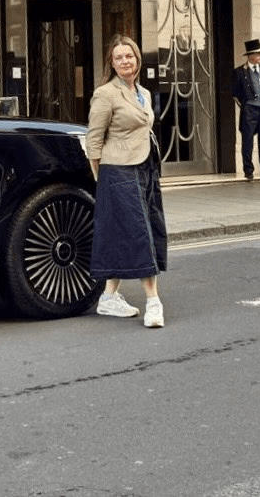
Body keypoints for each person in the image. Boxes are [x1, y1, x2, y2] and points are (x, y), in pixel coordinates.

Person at [86, 34, 166, 328]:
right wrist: (103, 179)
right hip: (118, 171)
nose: (124, 61)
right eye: (118, 57)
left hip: (145, 167)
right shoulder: (105, 94)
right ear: (112, 62)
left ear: (137, 59)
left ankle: (108, 298)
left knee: (130, 232)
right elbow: (93, 140)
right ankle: (153, 302)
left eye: (129, 56)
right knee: (139, 232)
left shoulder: (143, 92)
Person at [230, 38, 260, 181]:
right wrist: (247, 105)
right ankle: (248, 170)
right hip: (250, 109)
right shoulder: (239, 72)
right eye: (258, 53)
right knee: (248, 140)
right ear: (250, 55)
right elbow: (235, 94)